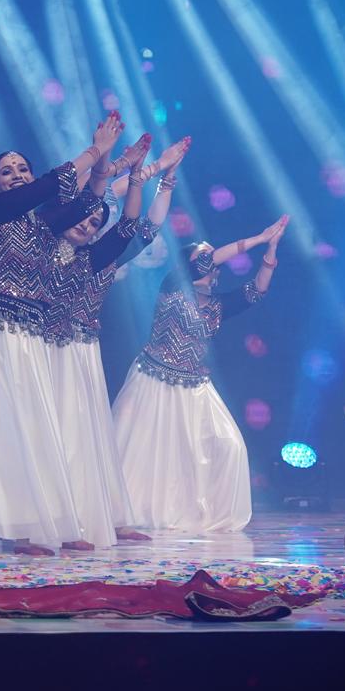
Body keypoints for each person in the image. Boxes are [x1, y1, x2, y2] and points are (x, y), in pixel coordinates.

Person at [0, 111, 124, 556]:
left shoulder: (42, 225)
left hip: (26, 334)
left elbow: (85, 207)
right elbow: (46, 188)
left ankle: (23, 529)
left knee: (25, 428)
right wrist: (94, 151)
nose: (16, 175)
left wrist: (103, 166)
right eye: (6, 171)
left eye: (22, 169)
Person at [40, 136, 189, 546]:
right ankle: (55, 520)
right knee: (54, 433)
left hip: (84, 350)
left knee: (87, 436)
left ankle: (98, 515)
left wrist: (164, 180)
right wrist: (141, 167)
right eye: (82, 218)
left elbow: (145, 229)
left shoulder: (101, 256)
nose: (87, 224)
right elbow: (93, 194)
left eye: (94, 223)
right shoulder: (42, 245)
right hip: (45, 346)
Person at [113, 215, 289, 533]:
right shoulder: (172, 287)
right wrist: (258, 237)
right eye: (203, 256)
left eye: (211, 256)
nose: (210, 260)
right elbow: (209, 259)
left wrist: (271, 248)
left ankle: (202, 512)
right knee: (145, 454)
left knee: (230, 446)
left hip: (195, 386)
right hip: (154, 381)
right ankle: (129, 514)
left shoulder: (219, 305)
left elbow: (256, 291)